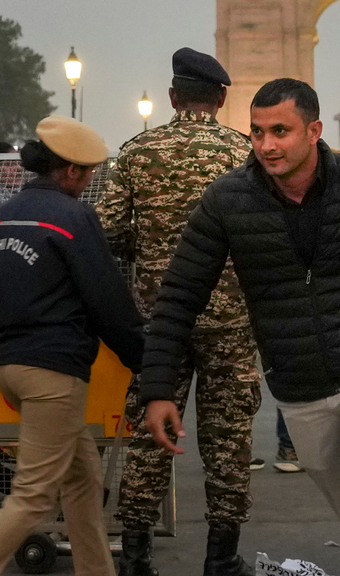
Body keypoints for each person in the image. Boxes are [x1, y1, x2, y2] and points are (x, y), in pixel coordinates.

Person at [140, 78, 340, 576]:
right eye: (257, 132)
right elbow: (179, 294)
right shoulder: (228, 200)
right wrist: (157, 387)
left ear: (314, 131)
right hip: (298, 385)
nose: (266, 145)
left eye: (280, 131)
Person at [0, 116, 144, 576]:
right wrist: (147, 364)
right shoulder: (74, 218)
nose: (90, 180)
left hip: (9, 367)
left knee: (83, 480)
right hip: (55, 374)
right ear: (69, 171)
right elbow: (107, 301)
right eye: (87, 172)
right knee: (32, 499)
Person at [98, 48, 262, 576]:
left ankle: (138, 556)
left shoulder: (137, 152)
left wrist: (147, 255)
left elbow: (107, 231)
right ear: (221, 97)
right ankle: (221, 556)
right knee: (228, 437)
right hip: (231, 322)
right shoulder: (244, 153)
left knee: (148, 439)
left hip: (159, 321)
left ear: (171, 97)